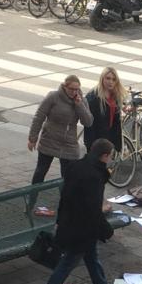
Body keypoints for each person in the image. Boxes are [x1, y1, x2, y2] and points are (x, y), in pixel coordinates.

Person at [40, 139, 121, 284]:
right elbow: (92, 208)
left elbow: (65, 196)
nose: (111, 159)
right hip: (81, 227)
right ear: (104, 156)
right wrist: (106, 229)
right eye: (111, 156)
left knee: (91, 256)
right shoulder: (94, 176)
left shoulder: (77, 166)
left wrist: (59, 221)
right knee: (69, 261)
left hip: (71, 222)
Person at [28, 75, 94, 212]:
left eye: (77, 89)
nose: (74, 92)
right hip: (49, 139)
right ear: (64, 86)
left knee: (67, 176)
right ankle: (31, 201)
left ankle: (65, 206)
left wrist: (79, 105)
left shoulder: (81, 100)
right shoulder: (53, 97)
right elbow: (39, 116)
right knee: (41, 171)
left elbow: (88, 122)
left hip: (68, 144)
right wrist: (32, 138)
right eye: (71, 89)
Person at [83, 67, 126, 153]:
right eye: (108, 78)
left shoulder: (115, 96)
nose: (111, 82)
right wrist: (91, 145)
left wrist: (118, 145)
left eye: (114, 79)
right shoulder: (93, 97)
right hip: (96, 141)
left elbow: (116, 122)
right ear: (102, 79)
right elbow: (89, 124)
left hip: (108, 139)